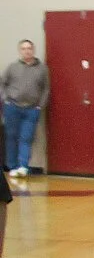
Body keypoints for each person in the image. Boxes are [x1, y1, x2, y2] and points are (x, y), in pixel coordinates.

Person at [3, 39, 49, 186]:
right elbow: (3, 84)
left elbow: (46, 89)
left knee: (26, 137)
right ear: (20, 51)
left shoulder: (42, 69)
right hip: (12, 107)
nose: (26, 51)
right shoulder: (12, 67)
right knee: (11, 137)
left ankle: (23, 166)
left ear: (33, 50)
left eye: (29, 48)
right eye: (23, 49)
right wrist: (5, 99)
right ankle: (12, 166)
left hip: (31, 109)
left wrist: (39, 106)